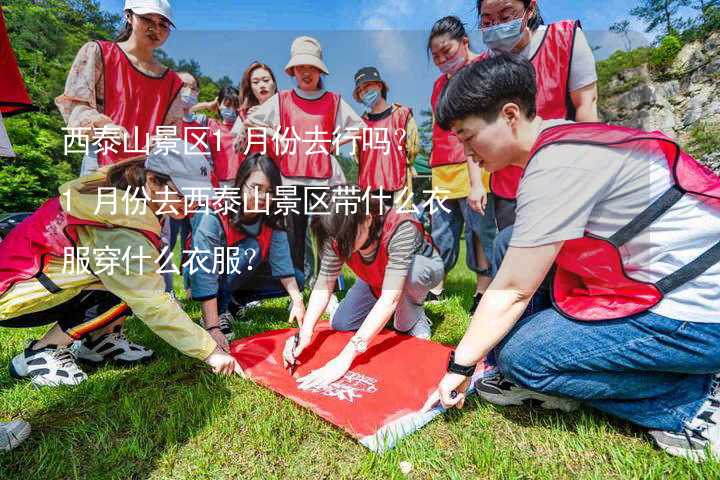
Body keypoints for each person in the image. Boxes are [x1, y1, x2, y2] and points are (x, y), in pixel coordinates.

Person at [426, 54, 720, 461]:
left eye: (468, 136)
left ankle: (692, 401)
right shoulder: (564, 137)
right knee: (508, 240)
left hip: (699, 315)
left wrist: (461, 365)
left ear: (509, 115)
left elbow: (511, 290)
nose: (466, 152)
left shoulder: (555, 168)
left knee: (523, 359)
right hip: (667, 280)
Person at [0, 142, 242, 389]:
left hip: (33, 280)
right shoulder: (121, 218)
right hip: (16, 294)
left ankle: (100, 341)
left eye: (197, 197)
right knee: (135, 286)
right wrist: (210, 351)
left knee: (134, 277)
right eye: (182, 194)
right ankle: (41, 352)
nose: (191, 205)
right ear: (152, 180)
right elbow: (150, 301)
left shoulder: (129, 191)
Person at [235, 36, 364, 309]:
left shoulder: (333, 101)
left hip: (324, 180)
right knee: (292, 240)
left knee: (326, 237)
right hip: (290, 181)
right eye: (301, 67)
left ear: (320, 71)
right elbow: (252, 121)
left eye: (312, 67)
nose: (306, 72)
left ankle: (325, 292)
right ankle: (295, 295)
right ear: (292, 71)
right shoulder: (281, 100)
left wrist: (335, 142)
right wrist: (275, 133)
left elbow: (359, 127)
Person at [476, 0, 599, 283]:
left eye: (506, 16)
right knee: (518, 264)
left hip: (563, 178)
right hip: (510, 188)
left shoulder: (564, 39)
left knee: (567, 268)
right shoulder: (483, 67)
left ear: (530, 9)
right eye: (487, 20)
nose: (496, 27)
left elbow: (587, 108)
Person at [282, 186, 443, 389]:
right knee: (341, 323)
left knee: (403, 324)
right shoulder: (337, 230)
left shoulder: (401, 227)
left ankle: (416, 312)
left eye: (346, 239)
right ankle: (377, 302)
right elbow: (325, 282)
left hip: (412, 273)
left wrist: (345, 358)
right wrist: (305, 332)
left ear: (367, 219)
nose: (341, 247)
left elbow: (389, 299)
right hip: (374, 277)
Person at [185, 153, 305, 349]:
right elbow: (204, 270)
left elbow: (283, 265)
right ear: (241, 184)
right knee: (251, 249)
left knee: (297, 279)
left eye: (269, 191)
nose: (262, 198)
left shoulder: (271, 217)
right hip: (205, 273)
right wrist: (212, 327)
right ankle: (218, 311)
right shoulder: (212, 213)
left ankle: (233, 301)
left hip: (238, 271)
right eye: (256, 188)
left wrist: (298, 302)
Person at [56, 0, 184, 175]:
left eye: (163, 24)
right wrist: (105, 127)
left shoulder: (172, 81)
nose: (156, 29)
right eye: (147, 19)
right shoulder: (99, 53)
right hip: (101, 163)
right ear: (129, 16)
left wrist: (165, 139)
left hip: (147, 172)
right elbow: (75, 105)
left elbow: (174, 127)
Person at [427, 16, 497, 313]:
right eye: (437, 56)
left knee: (480, 230)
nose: (443, 59)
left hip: (477, 164)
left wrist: (478, 179)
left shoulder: (485, 67)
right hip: (442, 169)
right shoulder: (439, 84)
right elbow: (437, 125)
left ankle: (482, 291)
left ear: (465, 42)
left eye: (447, 51)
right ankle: (434, 288)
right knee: (440, 231)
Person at [352, 66, 420, 207]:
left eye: (366, 87)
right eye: (360, 90)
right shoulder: (359, 124)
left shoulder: (402, 115)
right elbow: (358, 157)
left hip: (398, 187)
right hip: (369, 192)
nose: (363, 92)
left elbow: (412, 149)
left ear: (379, 85)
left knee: (398, 226)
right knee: (371, 228)